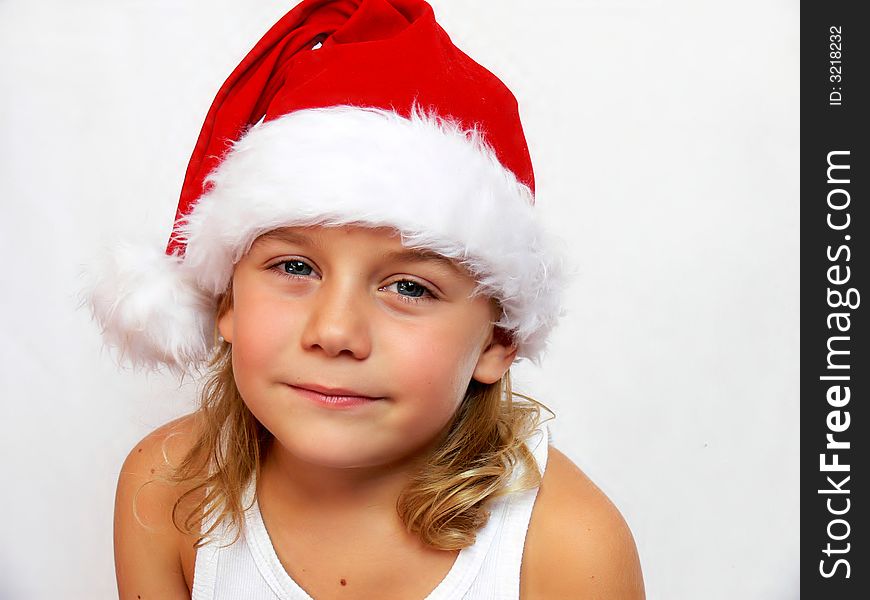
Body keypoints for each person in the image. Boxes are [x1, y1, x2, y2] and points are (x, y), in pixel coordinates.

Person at [88, 0, 645, 597]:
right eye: (295, 266)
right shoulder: (167, 487)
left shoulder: (566, 546)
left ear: (498, 339)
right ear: (225, 301)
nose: (333, 331)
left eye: (409, 287)